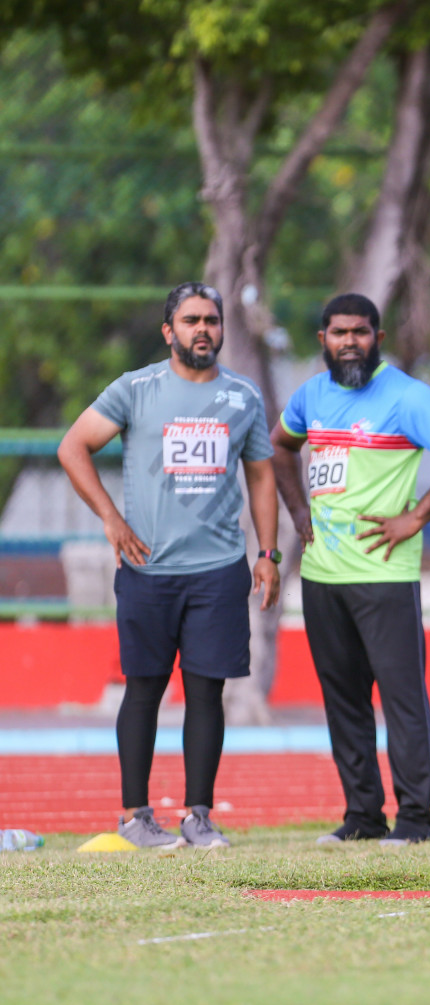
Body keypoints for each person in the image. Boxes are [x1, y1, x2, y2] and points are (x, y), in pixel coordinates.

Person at [57, 282, 280, 849]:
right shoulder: (136, 389)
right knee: (144, 690)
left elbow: (260, 476)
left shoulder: (243, 397)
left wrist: (268, 553)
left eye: (211, 320)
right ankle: (135, 817)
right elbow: (72, 446)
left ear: (222, 328)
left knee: (207, 694)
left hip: (218, 570)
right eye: (190, 320)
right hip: (148, 571)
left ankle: (198, 816)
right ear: (168, 331)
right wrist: (110, 518)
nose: (202, 329)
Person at [270, 293, 430, 846]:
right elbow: (279, 447)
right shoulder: (309, 396)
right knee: (343, 701)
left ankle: (414, 820)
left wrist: (416, 515)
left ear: (377, 339)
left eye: (361, 332)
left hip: (384, 575)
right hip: (321, 576)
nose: (350, 342)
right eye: (339, 333)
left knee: (402, 700)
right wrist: (297, 509)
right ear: (322, 340)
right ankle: (362, 816)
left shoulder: (406, 397)